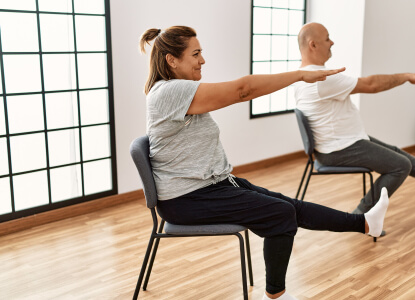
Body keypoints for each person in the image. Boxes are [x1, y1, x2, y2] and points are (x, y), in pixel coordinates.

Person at [139, 25, 390, 300]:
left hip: (211, 186)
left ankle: (365, 223)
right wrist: (299, 75)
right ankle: (275, 296)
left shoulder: (181, 90)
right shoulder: (168, 92)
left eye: (202, 53)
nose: (202, 60)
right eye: (195, 54)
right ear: (171, 60)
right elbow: (242, 90)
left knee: (290, 206)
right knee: (280, 215)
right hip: (185, 199)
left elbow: (240, 90)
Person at [295, 22, 415, 215]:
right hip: (339, 148)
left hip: (344, 142)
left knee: (399, 155)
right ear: (313, 45)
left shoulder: (304, 77)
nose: (332, 42)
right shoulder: (321, 79)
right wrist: (405, 77)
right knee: (400, 165)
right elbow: (372, 85)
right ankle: (360, 215)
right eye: (327, 38)